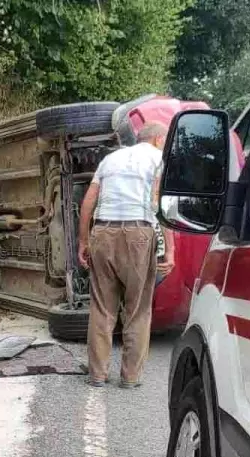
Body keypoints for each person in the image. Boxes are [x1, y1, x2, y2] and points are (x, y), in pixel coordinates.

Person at [78, 122, 175, 389]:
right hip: (138, 233)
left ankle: (97, 374)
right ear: (157, 139)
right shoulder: (158, 160)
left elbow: (88, 202)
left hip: (103, 231)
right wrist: (170, 250)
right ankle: (130, 377)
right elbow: (160, 206)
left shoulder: (110, 159)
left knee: (101, 308)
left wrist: (83, 241)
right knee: (138, 309)